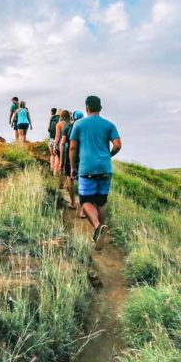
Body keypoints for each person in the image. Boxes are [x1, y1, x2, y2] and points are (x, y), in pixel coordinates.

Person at [70, 95, 121, 249]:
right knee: (101, 201)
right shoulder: (109, 125)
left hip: (87, 168)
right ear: (100, 108)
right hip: (105, 168)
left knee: (85, 201)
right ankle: (102, 230)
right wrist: (109, 155)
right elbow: (118, 145)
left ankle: (98, 227)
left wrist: (73, 167)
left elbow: (72, 147)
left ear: (87, 108)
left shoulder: (79, 124)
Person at [60, 110, 83, 214]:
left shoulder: (68, 128)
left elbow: (62, 143)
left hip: (70, 156)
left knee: (70, 178)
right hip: (83, 157)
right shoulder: (84, 128)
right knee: (82, 181)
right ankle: (83, 209)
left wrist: (61, 160)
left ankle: (73, 202)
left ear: (73, 117)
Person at [52, 109, 71, 175]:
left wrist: (54, 146)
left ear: (61, 116)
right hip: (69, 145)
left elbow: (57, 136)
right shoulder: (71, 124)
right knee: (67, 162)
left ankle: (56, 175)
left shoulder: (59, 124)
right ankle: (66, 176)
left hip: (60, 145)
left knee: (58, 160)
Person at [47, 108, 60, 173]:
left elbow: (48, 129)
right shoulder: (60, 119)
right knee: (57, 156)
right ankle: (55, 172)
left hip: (51, 139)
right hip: (57, 140)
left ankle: (51, 170)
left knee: (52, 155)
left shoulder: (51, 118)